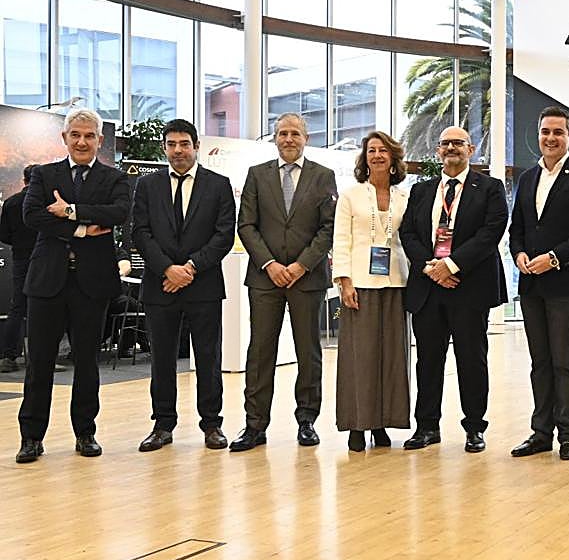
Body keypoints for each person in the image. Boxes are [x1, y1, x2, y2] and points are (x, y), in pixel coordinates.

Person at [15, 108, 131, 464]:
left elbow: (119, 212)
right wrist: (82, 227)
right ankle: (32, 437)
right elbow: (31, 215)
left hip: (91, 284)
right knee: (39, 361)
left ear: (99, 140)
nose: (82, 141)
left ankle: (86, 432)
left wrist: (68, 210)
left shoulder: (114, 178)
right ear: (64, 138)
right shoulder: (43, 174)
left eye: (89, 135)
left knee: (86, 361)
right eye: (75, 135)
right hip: (48, 281)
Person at [230, 112, 337, 452]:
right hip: (265, 279)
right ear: (274, 138)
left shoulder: (323, 176)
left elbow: (328, 227)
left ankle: (307, 421)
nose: (288, 139)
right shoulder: (257, 175)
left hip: (307, 279)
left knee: (308, 351)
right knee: (260, 352)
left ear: (306, 137)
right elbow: (246, 224)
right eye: (282, 133)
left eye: (295, 133)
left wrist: (303, 265)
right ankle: (255, 425)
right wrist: (271, 264)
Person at [399, 125, 507, 454]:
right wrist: (432, 268)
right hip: (429, 288)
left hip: (469, 287)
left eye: (458, 143)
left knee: (471, 360)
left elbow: (491, 232)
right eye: (445, 143)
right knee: (428, 361)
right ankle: (427, 426)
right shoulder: (421, 190)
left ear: (471, 150)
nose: (451, 148)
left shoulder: (489, 187)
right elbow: (408, 234)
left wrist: (452, 265)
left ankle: (475, 428)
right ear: (437, 151)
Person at [131, 119, 236, 452]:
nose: (178, 150)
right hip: (160, 285)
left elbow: (224, 235)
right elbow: (140, 232)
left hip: (203, 285)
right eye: (172, 144)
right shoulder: (147, 186)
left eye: (184, 144)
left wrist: (189, 268)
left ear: (196, 146)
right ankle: (162, 426)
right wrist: (167, 269)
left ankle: (212, 425)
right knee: (162, 359)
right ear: (165, 147)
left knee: (208, 357)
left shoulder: (219, 185)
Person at [508, 106, 569, 461]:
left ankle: (568, 434)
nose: (551, 138)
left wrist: (555, 258)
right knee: (539, 362)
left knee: (564, 360)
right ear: (539, 135)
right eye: (545, 132)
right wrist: (518, 254)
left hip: (564, 282)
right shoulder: (528, 178)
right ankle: (540, 432)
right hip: (531, 283)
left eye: (558, 132)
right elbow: (517, 227)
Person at [332, 130, 411, 453]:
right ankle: (356, 423)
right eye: (371, 151)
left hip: (396, 284)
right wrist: (344, 281)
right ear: (365, 158)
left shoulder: (406, 198)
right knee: (359, 358)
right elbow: (341, 240)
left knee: (392, 358)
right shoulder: (351, 195)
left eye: (383, 151)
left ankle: (381, 423)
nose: (377, 155)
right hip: (360, 285)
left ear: (393, 158)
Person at [0, 164, 37, 372]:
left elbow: (3, 234)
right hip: (43, 259)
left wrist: (18, 242)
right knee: (39, 307)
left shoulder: (11, 202)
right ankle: (37, 358)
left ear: (24, 180)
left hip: (20, 257)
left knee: (17, 307)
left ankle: (9, 356)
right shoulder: (44, 203)